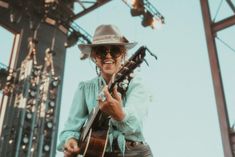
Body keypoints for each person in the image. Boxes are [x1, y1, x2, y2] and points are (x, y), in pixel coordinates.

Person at [57, 24, 153, 157]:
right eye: (102, 51)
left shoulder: (136, 84)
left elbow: (135, 121)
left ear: (123, 55)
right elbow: (70, 129)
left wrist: (119, 114)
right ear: (94, 57)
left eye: (114, 51)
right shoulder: (84, 88)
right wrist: (71, 141)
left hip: (134, 153)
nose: (108, 56)